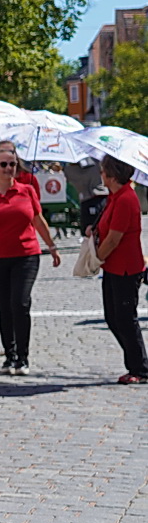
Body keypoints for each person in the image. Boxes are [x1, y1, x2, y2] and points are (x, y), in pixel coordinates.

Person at [0, 139, 60, 375]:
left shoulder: (26, 190)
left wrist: (52, 246)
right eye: (4, 165)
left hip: (26, 255)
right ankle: (10, 355)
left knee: (21, 302)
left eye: (12, 165)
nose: (9, 169)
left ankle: (23, 357)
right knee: (4, 307)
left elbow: (38, 220)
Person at [94, 155, 146, 383]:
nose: (101, 174)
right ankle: (135, 363)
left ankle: (141, 368)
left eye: (103, 170)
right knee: (113, 317)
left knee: (125, 318)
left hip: (125, 267)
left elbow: (115, 238)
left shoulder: (126, 198)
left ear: (111, 174)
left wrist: (96, 259)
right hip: (113, 266)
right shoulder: (114, 197)